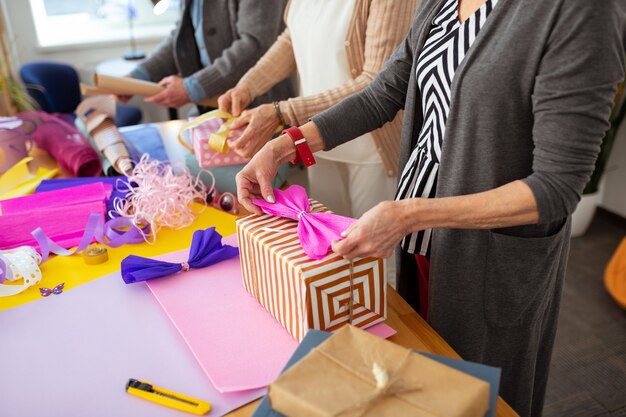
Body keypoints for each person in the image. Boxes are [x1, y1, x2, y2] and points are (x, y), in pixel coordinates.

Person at [235, 0, 626, 416]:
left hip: (486, 256)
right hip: (419, 240)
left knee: (480, 394)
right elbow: (382, 94)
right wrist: (287, 144)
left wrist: (410, 215)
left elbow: (557, 187)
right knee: (425, 381)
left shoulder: (580, 11)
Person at [218, 0, 420, 220]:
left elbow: (376, 84)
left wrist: (283, 112)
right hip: (314, 139)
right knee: (326, 244)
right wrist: (248, 85)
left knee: (376, 248)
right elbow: (293, 37)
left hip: (372, 149)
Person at [124, 0, 296, 112]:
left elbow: (255, 45)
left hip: (258, 105)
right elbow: (181, 38)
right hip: (212, 104)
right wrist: (137, 77)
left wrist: (191, 88)